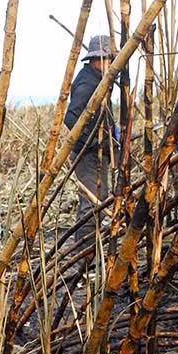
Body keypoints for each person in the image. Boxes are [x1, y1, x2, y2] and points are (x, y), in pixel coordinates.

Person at [64, 34, 117, 240]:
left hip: (99, 151)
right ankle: (83, 255)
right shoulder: (87, 83)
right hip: (87, 155)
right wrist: (92, 142)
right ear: (95, 60)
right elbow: (71, 117)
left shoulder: (100, 80)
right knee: (92, 202)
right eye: (105, 59)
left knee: (100, 198)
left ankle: (89, 250)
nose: (108, 63)